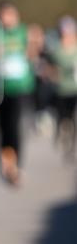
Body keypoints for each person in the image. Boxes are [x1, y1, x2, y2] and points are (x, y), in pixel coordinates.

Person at [0, 1, 35, 185]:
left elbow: (34, 50)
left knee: (15, 127)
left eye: (10, 15)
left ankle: (16, 165)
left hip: (20, 86)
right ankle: (6, 162)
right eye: (3, 15)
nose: (7, 19)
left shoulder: (23, 32)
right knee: (3, 128)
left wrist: (31, 51)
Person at [45, 15, 77, 159]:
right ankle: (65, 138)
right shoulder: (56, 51)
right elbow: (49, 68)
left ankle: (73, 146)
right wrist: (52, 75)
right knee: (65, 120)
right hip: (63, 90)